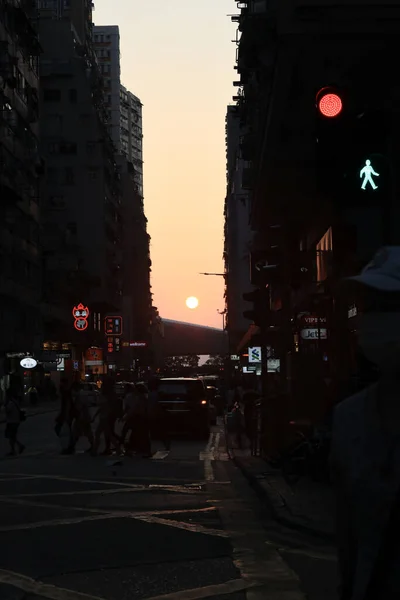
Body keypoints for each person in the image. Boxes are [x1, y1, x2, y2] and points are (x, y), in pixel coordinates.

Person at [331, 247, 400, 600]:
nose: (374, 320)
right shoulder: (349, 418)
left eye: (389, 306)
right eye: (369, 308)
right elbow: (349, 535)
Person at [148, 378, 171, 451]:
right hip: (157, 415)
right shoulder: (158, 393)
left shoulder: (153, 394)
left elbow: (153, 406)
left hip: (155, 415)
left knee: (157, 431)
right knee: (160, 431)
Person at [4, 385, 25, 456]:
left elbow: (7, 410)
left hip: (12, 421)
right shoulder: (15, 401)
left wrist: (5, 405)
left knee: (11, 436)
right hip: (15, 421)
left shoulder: (11, 402)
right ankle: (14, 449)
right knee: (12, 437)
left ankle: (18, 447)